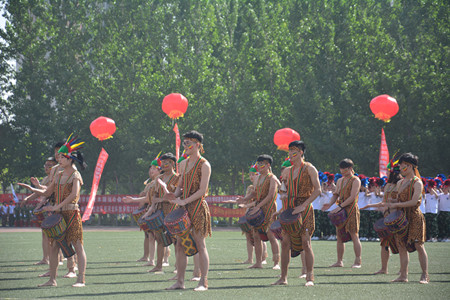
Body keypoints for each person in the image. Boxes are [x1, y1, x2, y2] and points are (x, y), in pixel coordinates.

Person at [19, 133, 87, 287]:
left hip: (71, 214)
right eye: (60, 157)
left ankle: (81, 279)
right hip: (59, 214)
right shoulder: (58, 174)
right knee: (54, 246)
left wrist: (56, 206)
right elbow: (48, 192)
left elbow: (74, 195)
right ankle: (52, 280)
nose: (59, 159)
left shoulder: (75, 175)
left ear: (70, 159)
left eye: (62, 157)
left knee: (77, 244)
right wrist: (32, 188)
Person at [164, 130, 211, 291]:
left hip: (197, 207)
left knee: (200, 243)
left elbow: (202, 191)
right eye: (184, 143)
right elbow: (180, 187)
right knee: (180, 245)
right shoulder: (183, 164)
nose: (186, 146)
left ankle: (203, 281)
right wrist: (174, 195)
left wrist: (184, 200)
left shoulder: (204, 164)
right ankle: (180, 282)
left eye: (189, 142)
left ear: (198, 144)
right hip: (184, 207)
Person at [272, 141, 321, 287]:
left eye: (293, 151)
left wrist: (304, 205)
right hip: (290, 210)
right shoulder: (287, 171)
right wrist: (283, 198)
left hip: (305, 209)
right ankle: (283, 277)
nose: (290, 155)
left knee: (306, 242)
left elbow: (318, 190)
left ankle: (309, 277)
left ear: (301, 152)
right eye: (289, 151)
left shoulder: (310, 169)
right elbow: (284, 190)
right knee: (285, 242)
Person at [380, 153, 429, 283]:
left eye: (402, 165)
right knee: (401, 246)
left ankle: (425, 275)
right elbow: (399, 198)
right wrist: (391, 201)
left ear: (410, 166)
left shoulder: (417, 182)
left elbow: (414, 202)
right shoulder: (401, 182)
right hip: (401, 217)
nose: (400, 168)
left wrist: (396, 204)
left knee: (419, 245)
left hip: (414, 217)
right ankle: (403, 276)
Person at [237, 155, 280, 270]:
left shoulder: (272, 178)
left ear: (268, 165)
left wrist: (258, 206)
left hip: (269, 208)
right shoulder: (257, 178)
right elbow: (254, 193)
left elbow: (271, 196)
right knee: (256, 235)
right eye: (258, 164)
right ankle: (258, 262)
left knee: (271, 235)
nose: (259, 166)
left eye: (262, 164)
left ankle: (276, 263)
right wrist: (244, 199)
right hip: (259, 207)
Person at [362, 155, 402, 274]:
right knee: (384, 244)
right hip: (386, 217)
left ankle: (402, 270)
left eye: (388, 172)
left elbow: (401, 201)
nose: (387, 175)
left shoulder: (401, 184)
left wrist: (391, 203)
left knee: (400, 244)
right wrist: (370, 206)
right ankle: (384, 269)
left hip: (397, 217)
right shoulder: (388, 186)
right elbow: (384, 202)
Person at [142, 152, 180, 273]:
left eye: (166, 162)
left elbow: (173, 196)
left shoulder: (178, 178)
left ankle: (178, 267)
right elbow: (154, 197)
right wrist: (150, 210)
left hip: (173, 211)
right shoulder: (159, 178)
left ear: (173, 163)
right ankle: (158, 265)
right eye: (162, 163)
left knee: (176, 240)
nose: (163, 165)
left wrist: (161, 199)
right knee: (160, 239)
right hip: (160, 211)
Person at [322, 158, 362, 268]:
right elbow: (336, 194)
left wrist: (339, 207)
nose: (342, 172)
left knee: (354, 234)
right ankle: (339, 261)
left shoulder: (356, 180)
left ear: (350, 168)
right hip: (341, 210)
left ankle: (358, 261)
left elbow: (352, 197)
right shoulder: (340, 180)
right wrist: (329, 205)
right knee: (339, 236)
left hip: (351, 209)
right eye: (341, 170)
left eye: (344, 170)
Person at [122, 158, 160, 265]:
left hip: (158, 210)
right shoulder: (150, 183)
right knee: (150, 235)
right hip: (150, 210)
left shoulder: (159, 181)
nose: (151, 171)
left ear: (159, 170)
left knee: (160, 237)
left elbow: (149, 199)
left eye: (154, 168)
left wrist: (133, 200)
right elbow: (145, 197)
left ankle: (164, 260)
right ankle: (149, 258)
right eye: (150, 169)